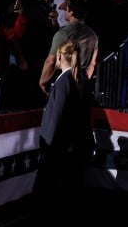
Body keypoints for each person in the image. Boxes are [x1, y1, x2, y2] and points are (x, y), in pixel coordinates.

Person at [33, 38, 95, 209]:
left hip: (60, 148)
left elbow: (57, 115)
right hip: (75, 145)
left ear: (60, 57)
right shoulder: (80, 78)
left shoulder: (64, 81)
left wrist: (48, 145)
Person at [39, 0, 99, 98]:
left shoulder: (64, 33)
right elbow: (92, 63)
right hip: (82, 84)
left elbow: (50, 61)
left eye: (66, 9)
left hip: (63, 83)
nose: (64, 12)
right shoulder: (93, 35)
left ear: (71, 12)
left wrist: (43, 81)